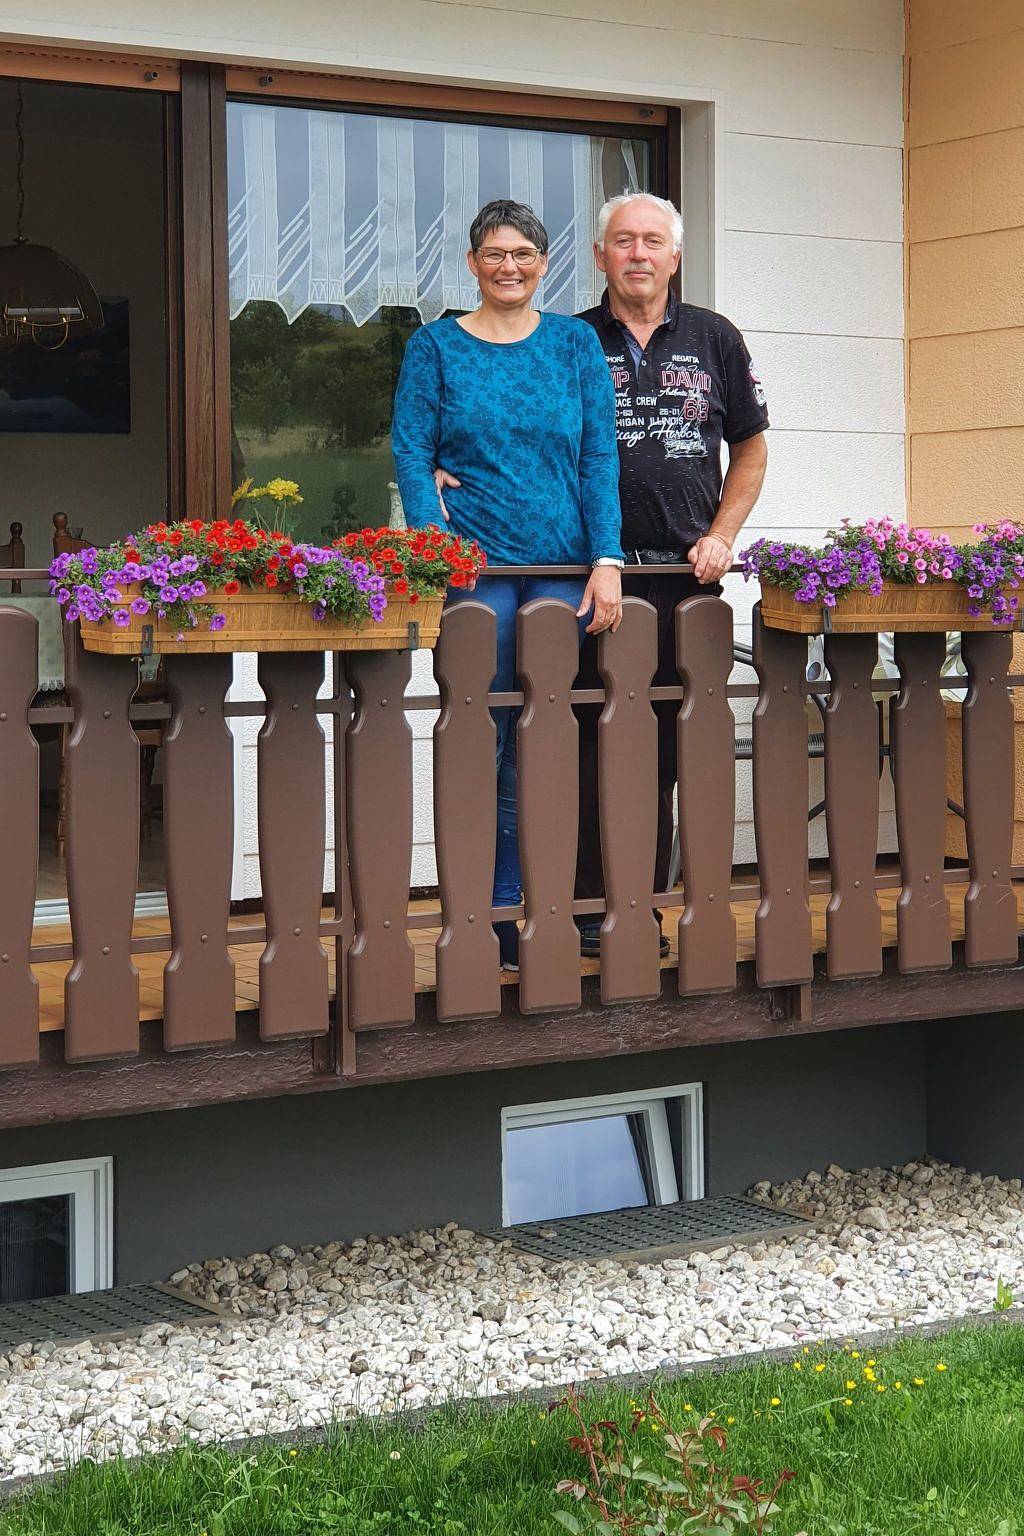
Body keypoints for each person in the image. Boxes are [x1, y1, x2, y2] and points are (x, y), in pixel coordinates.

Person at [392, 198, 625, 972]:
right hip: (478, 574)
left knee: (548, 742)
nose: (509, 267)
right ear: (471, 264)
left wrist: (608, 559)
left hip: (561, 571)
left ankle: (546, 911)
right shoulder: (435, 348)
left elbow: (598, 461)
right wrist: (436, 546)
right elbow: (410, 449)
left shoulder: (574, 345)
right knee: (481, 741)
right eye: (494, 254)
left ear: (544, 262)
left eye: (523, 253)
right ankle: (487, 914)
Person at [574, 191, 769, 957]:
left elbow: (751, 447)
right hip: (595, 579)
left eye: (653, 241)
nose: (638, 254)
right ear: (600, 257)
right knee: (590, 749)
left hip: (686, 587)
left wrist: (722, 535)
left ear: (675, 256)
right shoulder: (570, 341)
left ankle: (644, 913)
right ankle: (591, 916)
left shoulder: (715, 338)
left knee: (663, 757)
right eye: (623, 241)